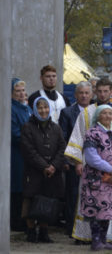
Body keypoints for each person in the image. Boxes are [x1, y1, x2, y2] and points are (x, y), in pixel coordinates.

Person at [66, 78, 112, 242]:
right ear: (95, 91)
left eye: (106, 91)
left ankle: (110, 236)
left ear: (111, 91)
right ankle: (86, 236)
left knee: (111, 200)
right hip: (93, 166)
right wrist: (78, 161)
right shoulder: (86, 112)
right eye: (100, 91)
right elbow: (78, 135)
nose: (103, 94)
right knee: (91, 199)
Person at [79, 105, 112, 250]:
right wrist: (111, 169)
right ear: (98, 116)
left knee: (108, 209)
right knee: (95, 209)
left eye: (110, 113)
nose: (108, 116)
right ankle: (95, 241)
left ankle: (103, 239)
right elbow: (91, 158)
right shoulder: (92, 133)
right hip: (96, 179)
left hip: (111, 180)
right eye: (104, 113)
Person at [21, 97, 67, 243]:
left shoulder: (56, 128)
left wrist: (54, 165)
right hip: (34, 172)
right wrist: (44, 166)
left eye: (46, 107)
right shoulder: (28, 127)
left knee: (47, 201)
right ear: (34, 109)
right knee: (31, 200)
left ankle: (44, 232)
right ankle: (30, 231)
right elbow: (29, 151)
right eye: (40, 108)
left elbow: (62, 148)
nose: (43, 111)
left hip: (53, 172)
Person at [58, 81, 93, 236]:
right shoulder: (67, 112)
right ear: (75, 95)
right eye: (81, 93)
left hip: (93, 161)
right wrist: (68, 160)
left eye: (87, 93)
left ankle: (89, 228)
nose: (84, 96)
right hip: (74, 160)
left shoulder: (96, 111)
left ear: (91, 95)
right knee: (73, 194)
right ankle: (71, 227)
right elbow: (63, 138)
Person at [11, 78, 31, 232]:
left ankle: (25, 218)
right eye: (17, 91)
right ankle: (15, 220)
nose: (21, 94)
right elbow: (15, 133)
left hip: (28, 154)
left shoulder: (27, 108)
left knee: (25, 187)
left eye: (23, 91)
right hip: (17, 154)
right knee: (16, 187)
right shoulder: (11, 109)